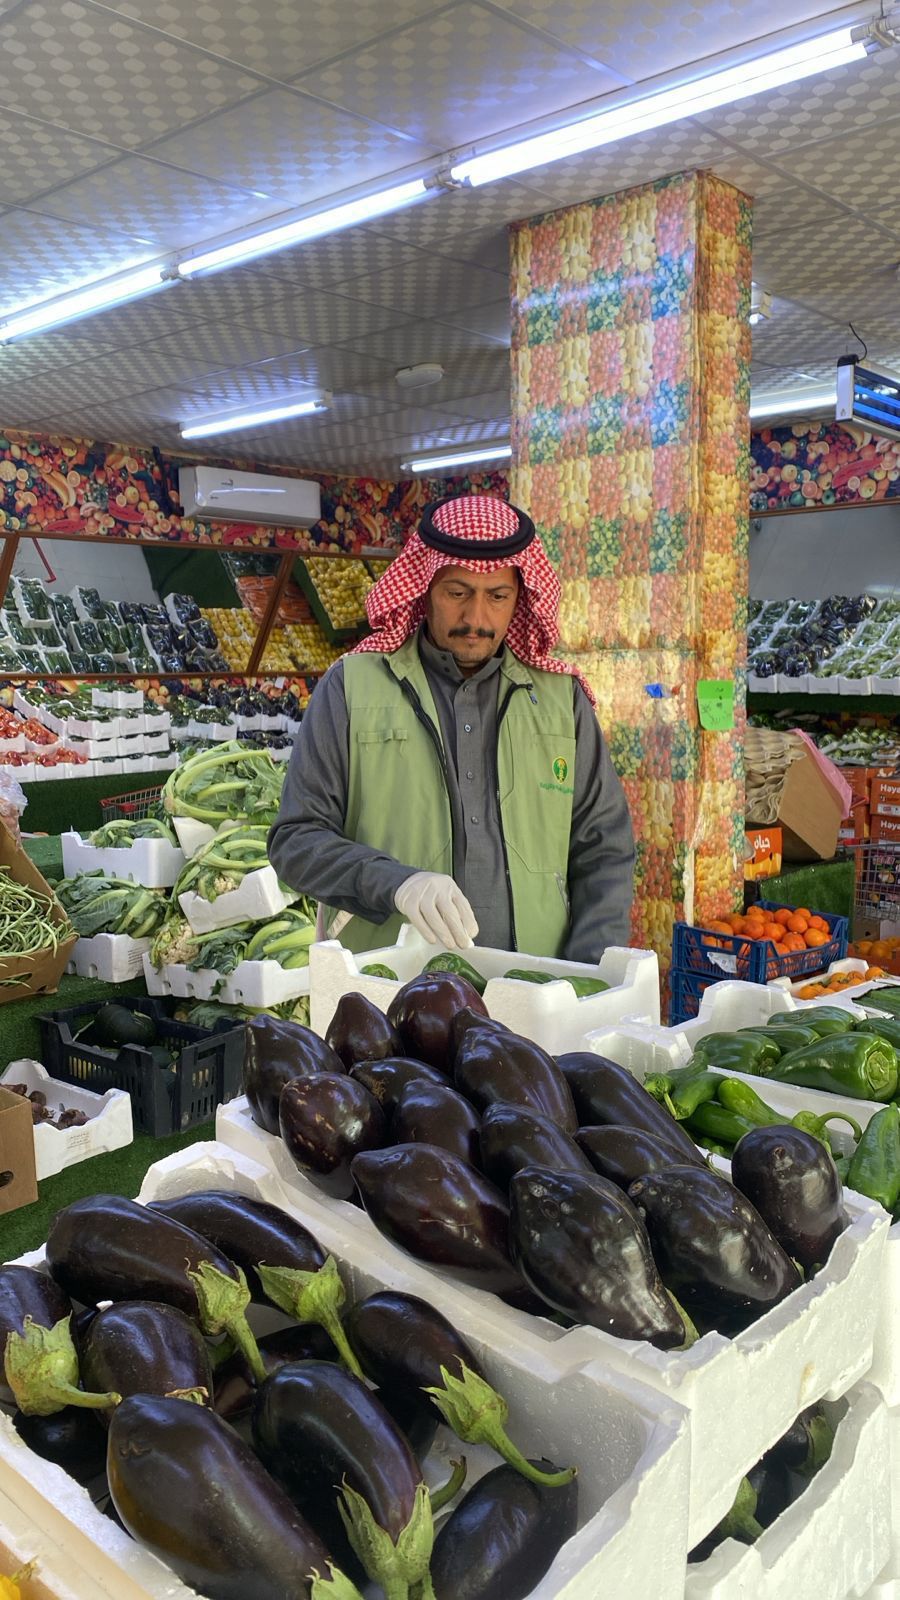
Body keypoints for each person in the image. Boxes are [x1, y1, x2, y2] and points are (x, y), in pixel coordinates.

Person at [268, 493, 635, 960]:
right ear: (425, 589)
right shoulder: (351, 687)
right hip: (392, 989)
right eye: (457, 593)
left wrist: (587, 974)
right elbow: (296, 841)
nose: (475, 618)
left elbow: (604, 848)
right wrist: (394, 883)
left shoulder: (562, 700)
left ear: (520, 597)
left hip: (538, 987)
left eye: (497, 597)